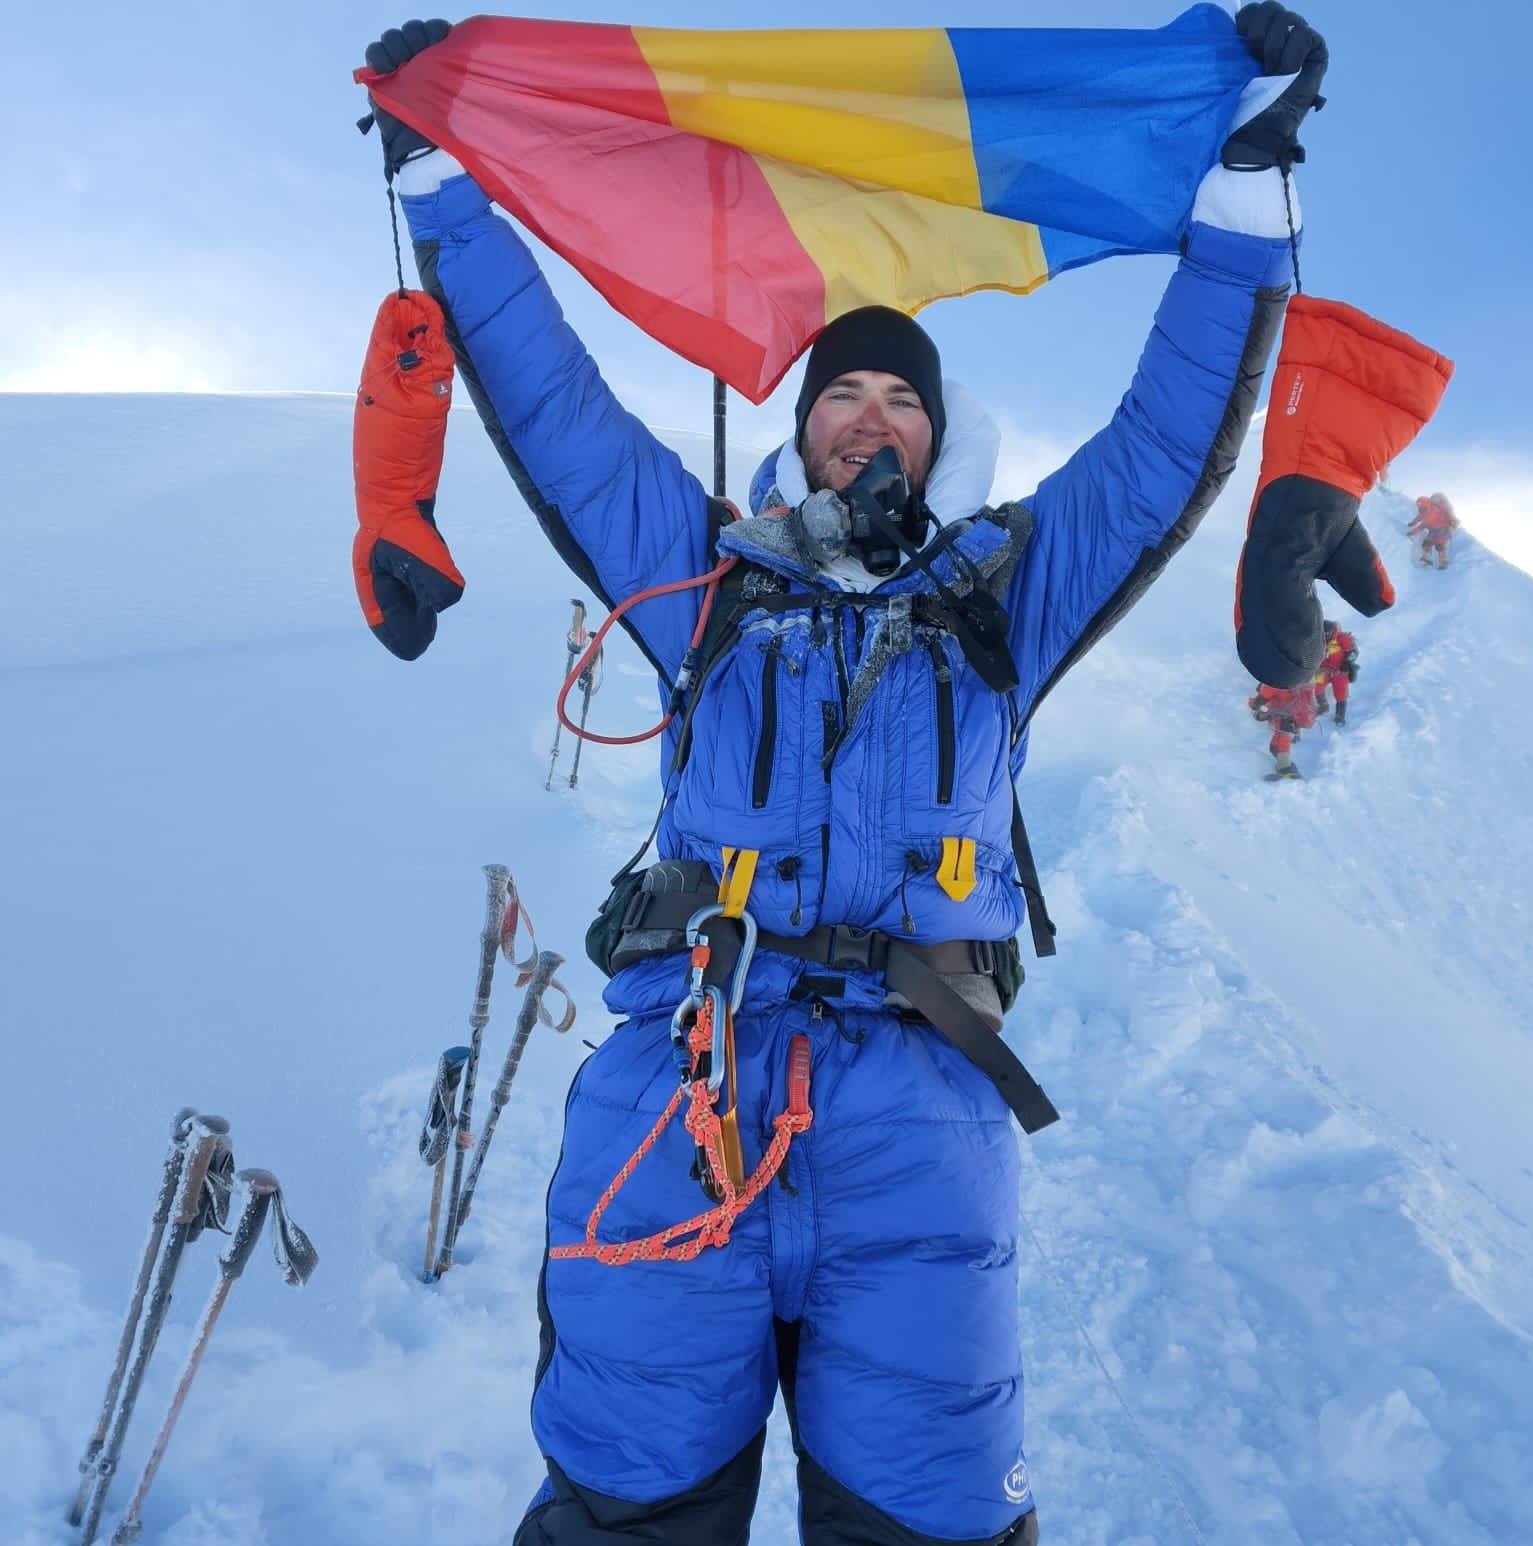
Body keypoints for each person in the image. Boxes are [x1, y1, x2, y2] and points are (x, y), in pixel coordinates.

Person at [358, 6, 1326, 1540]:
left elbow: (1159, 452)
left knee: (928, 1518)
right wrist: (442, 184)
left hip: (921, 1126)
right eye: (843, 397)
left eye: (901, 399)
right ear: (803, 430)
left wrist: (1243, 193)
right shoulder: (704, 575)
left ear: (940, 435)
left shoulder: (1009, 589)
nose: (871, 421)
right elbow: (560, 415)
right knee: (623, 1510)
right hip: (681, 1100)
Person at [1250, 681, 1317, 779]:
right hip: (1297, 713)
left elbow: (1262, 698)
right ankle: (1278, 754)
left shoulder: (1276, 681)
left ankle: (1284, 766)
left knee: (1283, 735)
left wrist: (1253, 704)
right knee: (1278, 740)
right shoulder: (1300, 677)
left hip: (1287, 715)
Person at [1314, 619, 1358, 725]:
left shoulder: (1341, 637)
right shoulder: (1316, 640)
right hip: (1323, 670)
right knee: (1317, 688)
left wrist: (1347, 663)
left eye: (1327, 634)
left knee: (1341, 693)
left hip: (1340, 671)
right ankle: (1323, 706)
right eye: (1323, 634)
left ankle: (1340, 716)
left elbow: (1353, 652)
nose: (1325, 636)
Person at [1408, 491, 1459, 568]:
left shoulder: (1432, 511)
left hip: (1442, 530)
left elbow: (1422, 525)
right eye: (1418, 505)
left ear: (1424, 503)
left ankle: (1436, 562)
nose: (1418, 506)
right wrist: (1412, 522)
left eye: (1420, 504)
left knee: (1437, 545)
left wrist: (1412, 532)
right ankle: (1434, 561)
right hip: (1435, 531)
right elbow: (1419, 517)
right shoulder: (1426, 511)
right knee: (1430, 544)